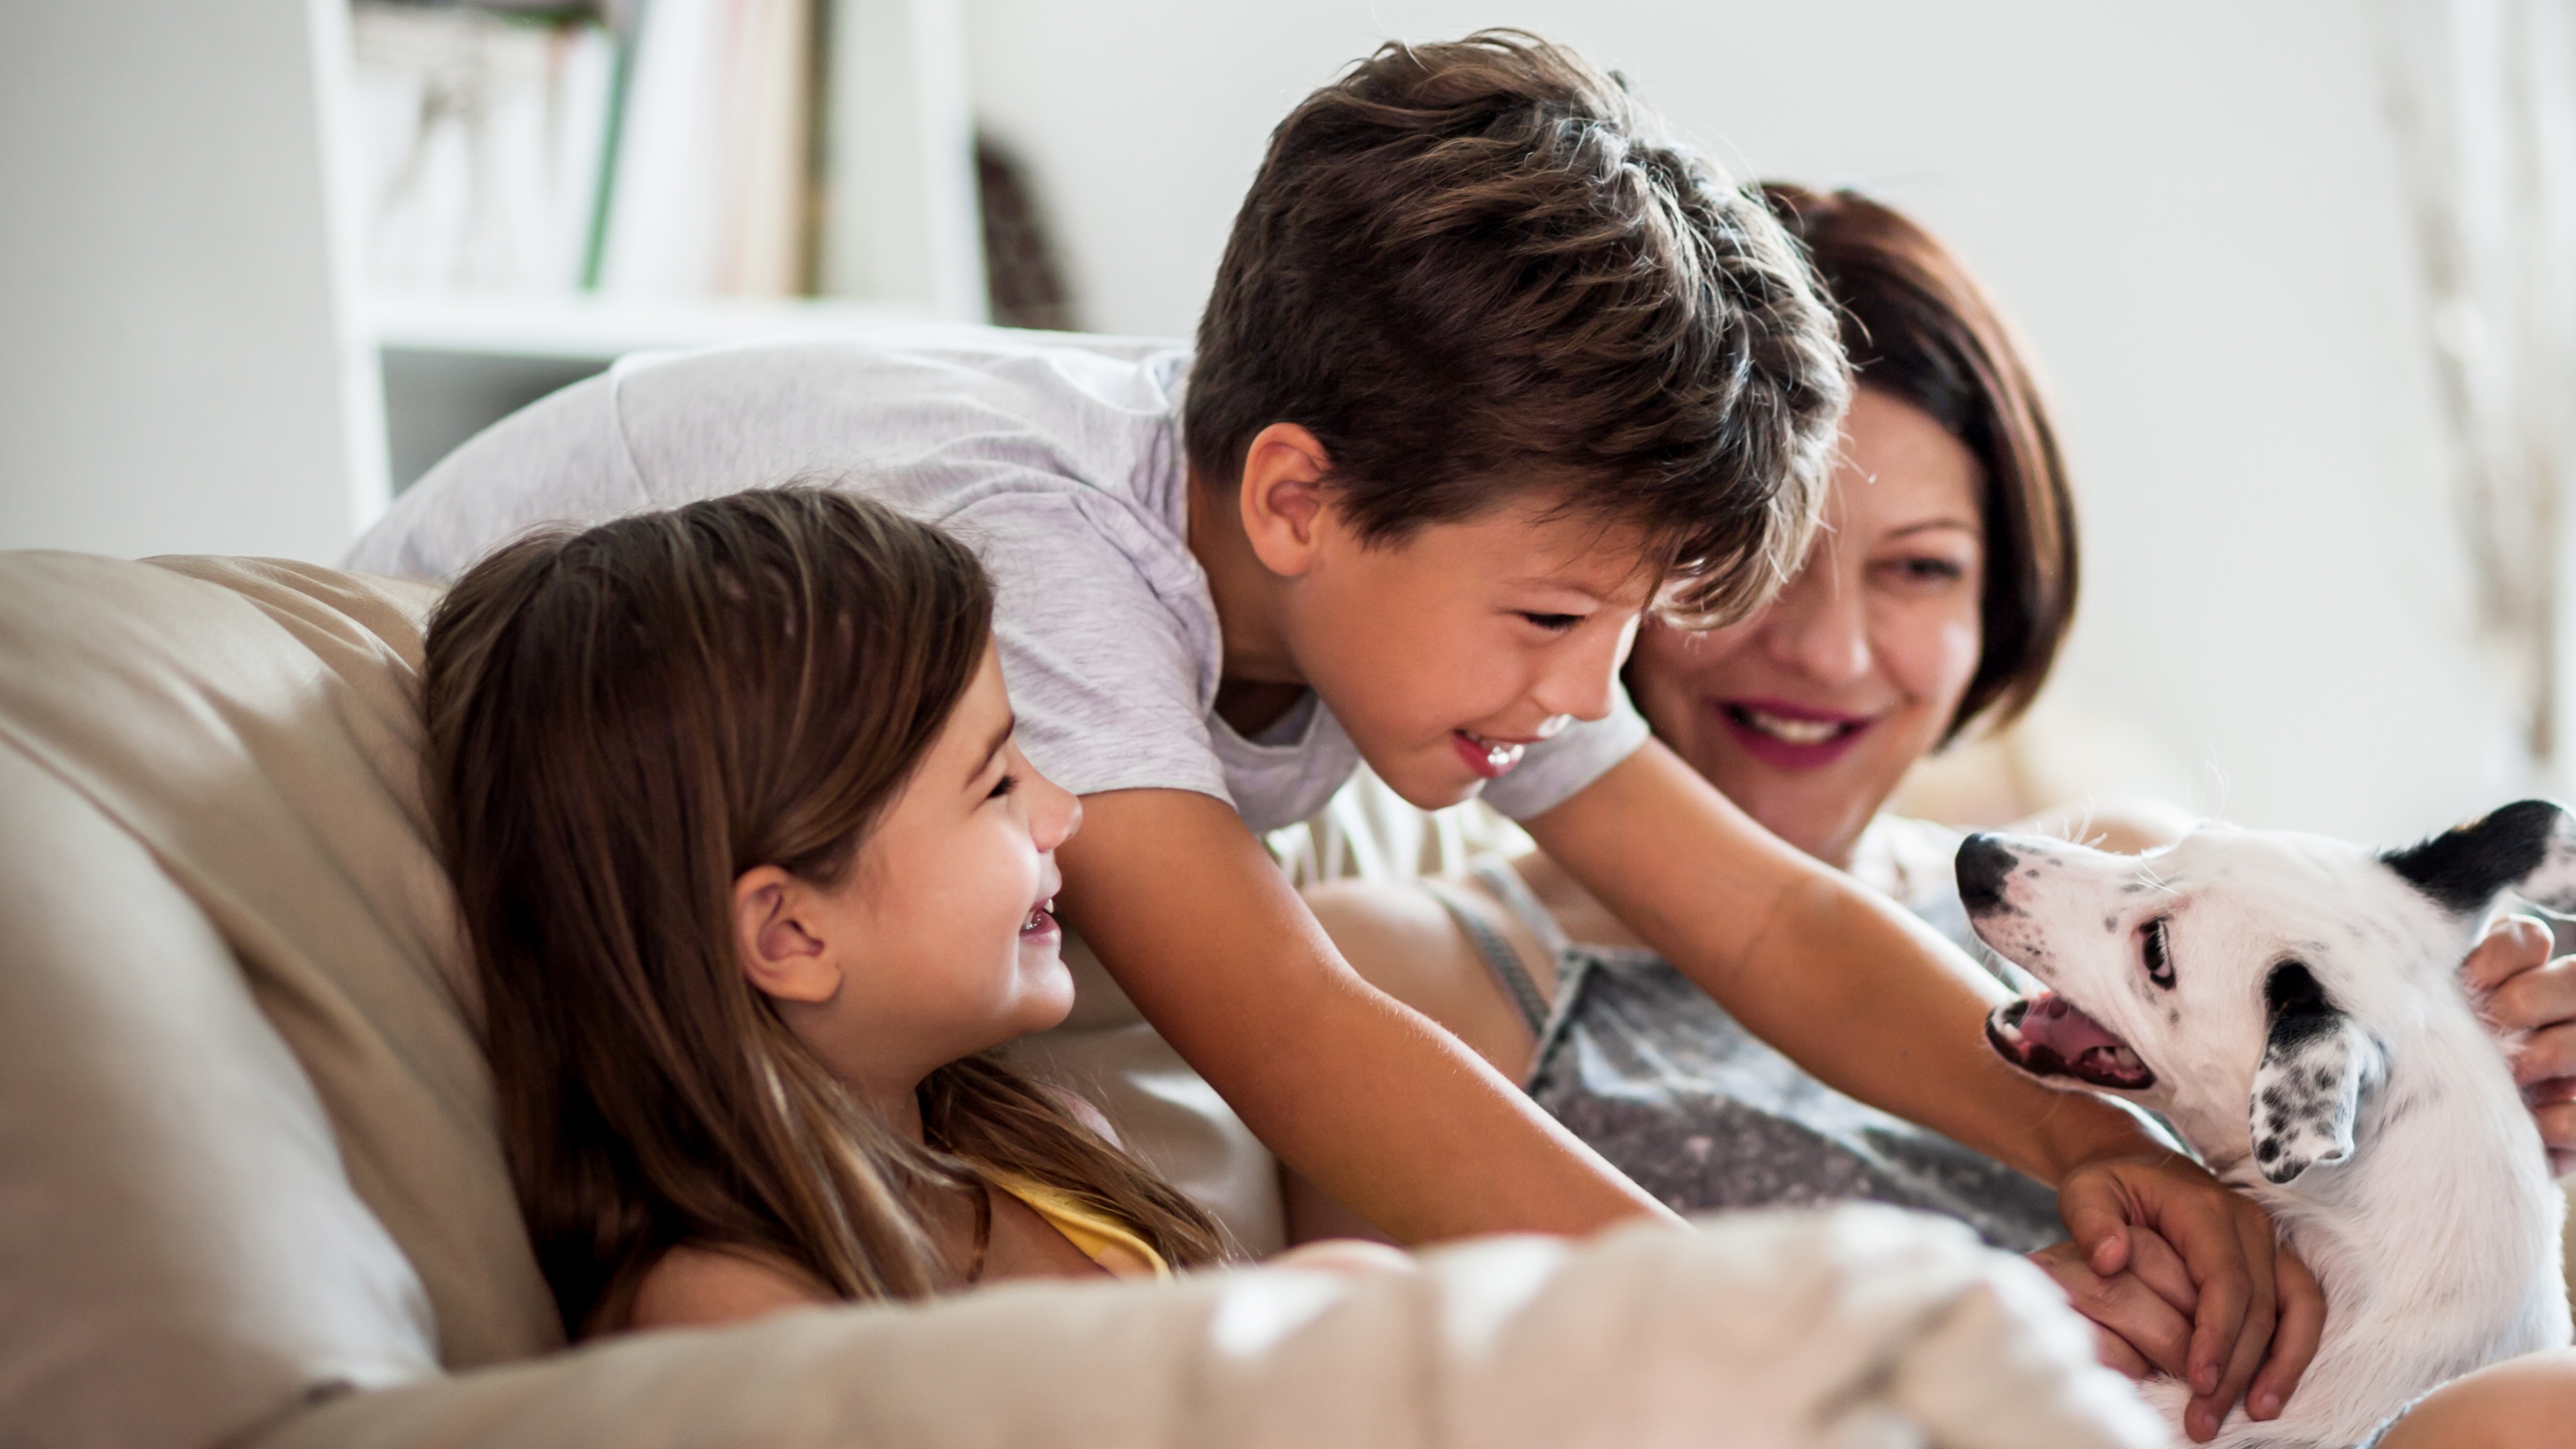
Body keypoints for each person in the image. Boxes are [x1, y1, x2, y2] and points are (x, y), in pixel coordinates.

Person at [359, 34, 2310, 1436]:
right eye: (1559, 621)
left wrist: (2076, 1135)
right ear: (1291, 501)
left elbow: (1767, 922)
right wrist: (1772, 1332)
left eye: (1618, 627)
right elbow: (1298, 1038)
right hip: (514, 739)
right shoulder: (1061, 565)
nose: (1584, 689)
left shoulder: (1426, 567)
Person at [1299, 183, 2576, 1425]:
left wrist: (2475, 1138)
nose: (1831, 653)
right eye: (1764, 564)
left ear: (1996, 602)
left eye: (1919, 568)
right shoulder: (1402, 976)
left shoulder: (2136, 867)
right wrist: (1951, 1371)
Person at [422, 488, 1234, 1334]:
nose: (1064, 810)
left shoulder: (1054, 1149)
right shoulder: (736, 1312)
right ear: (790, 933)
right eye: (997, 784)